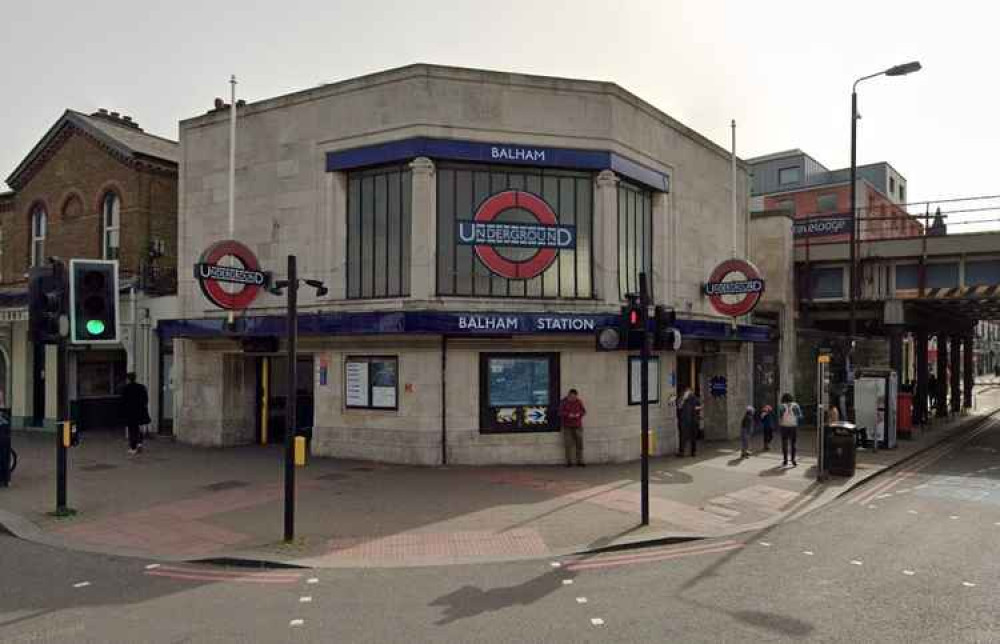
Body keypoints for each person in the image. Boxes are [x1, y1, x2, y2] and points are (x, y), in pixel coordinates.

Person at [121, 372, 151, 456]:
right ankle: (139, 443)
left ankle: (133, 448)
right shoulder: (141, 387)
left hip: (130, 412)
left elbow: (123, 401)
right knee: (139, 428)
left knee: (132, 430)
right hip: (140, 411)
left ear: (128, 379)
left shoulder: (126, 388)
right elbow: (146, 399)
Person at [559, 388, 587, 467]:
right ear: (569, 395)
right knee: (568, 444)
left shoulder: (579, 402)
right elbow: (560, 412)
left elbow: (583, 411)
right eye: (571, 397)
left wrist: (579, 414)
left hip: (577, 425)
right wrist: (568, 414)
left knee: (579, 444)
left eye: (574, 397)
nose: (573, 398)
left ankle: (580, 461)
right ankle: (569, 462)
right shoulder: (564, 402)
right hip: (567, 426)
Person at [777, 392, 803, 467]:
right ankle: (793, 460)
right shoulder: (795, 405)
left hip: (784, 426)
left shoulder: (781, 406)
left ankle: (785, 460)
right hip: (793, 426)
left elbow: (780, 417)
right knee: (793, 444)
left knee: (784, 444)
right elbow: (799, 416)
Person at [677, 388, 702, 457]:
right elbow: (679, 406)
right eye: (686, 392)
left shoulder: (695, 398)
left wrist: (696, 408)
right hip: (685, 421)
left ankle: (693, 452)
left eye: (689, 392)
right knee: (683, 437)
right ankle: (682, 452)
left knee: (693, 437)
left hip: (693, 420)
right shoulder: (682, 399)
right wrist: (683, 399)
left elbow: (700, 406)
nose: (688, 393)